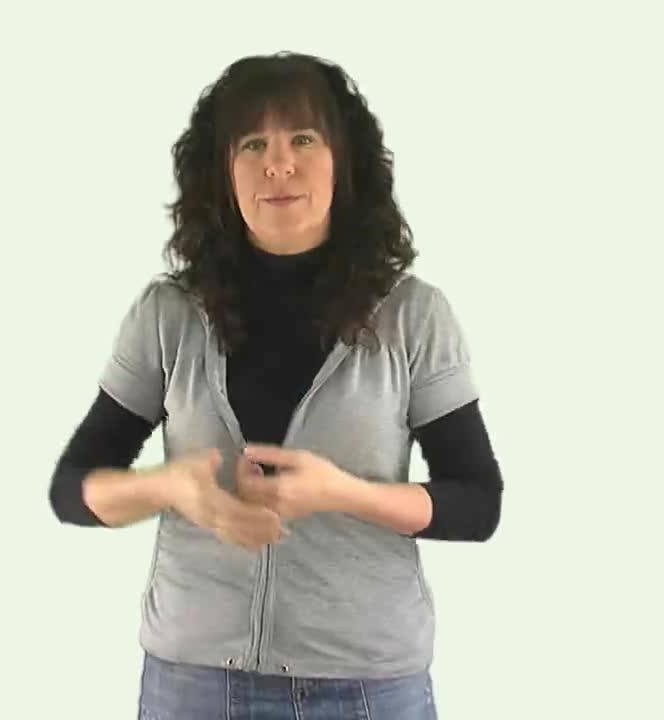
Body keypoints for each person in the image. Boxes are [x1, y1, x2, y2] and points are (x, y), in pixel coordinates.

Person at [49, 51, 503, 720]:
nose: (278, 164)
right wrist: (167, 487)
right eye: (253, 144)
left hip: (367, 688)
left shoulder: (414, 316)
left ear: (344, 162)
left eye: (303, 139)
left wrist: (345, 494)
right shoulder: (168, 315)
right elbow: (72, 488)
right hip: (193, 687)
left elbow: (478, 503)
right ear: (222, 172)